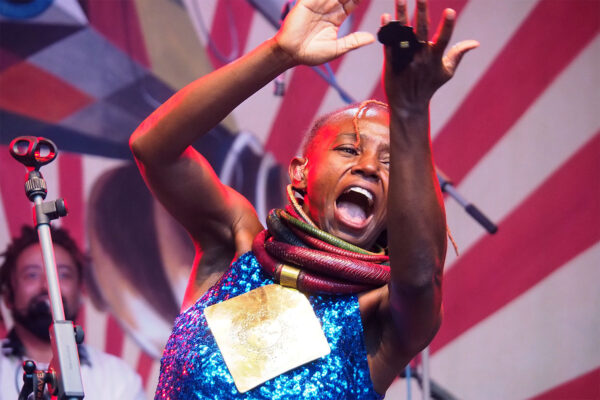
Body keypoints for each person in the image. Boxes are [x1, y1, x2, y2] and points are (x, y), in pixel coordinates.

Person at [130, 0, 478, 398]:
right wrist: (280, 52)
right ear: (300, 172)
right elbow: (154, 149)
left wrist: (412, 113)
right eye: (349, 150)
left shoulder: (381, 318)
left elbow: (420, 278)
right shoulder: (235, 245)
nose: (369, 167)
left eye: (391, 165)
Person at [0, 225, 147, 400]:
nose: (48, 286)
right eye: (31, 274)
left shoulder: (118, 379)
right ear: (8, 296)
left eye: (63, 275)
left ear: (81, 292)